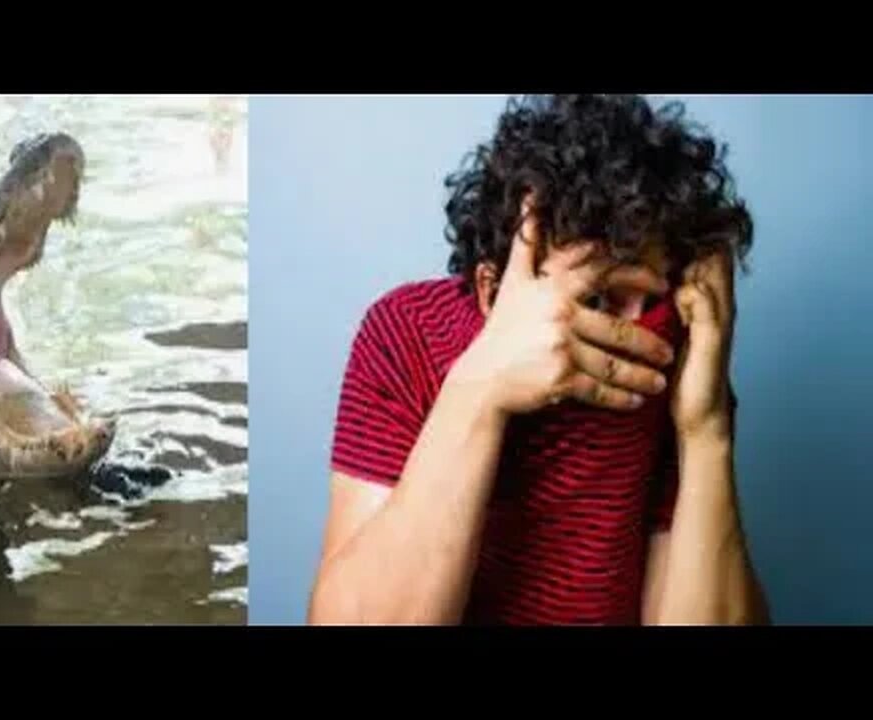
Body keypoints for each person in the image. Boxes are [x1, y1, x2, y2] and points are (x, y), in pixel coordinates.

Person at [308, 94, 770, 625]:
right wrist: (479, 391)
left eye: (654, 300)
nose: (636, 328)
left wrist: (706, 430)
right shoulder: (406, 334)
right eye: (599, 298)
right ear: (491, 291)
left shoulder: (677, 367)